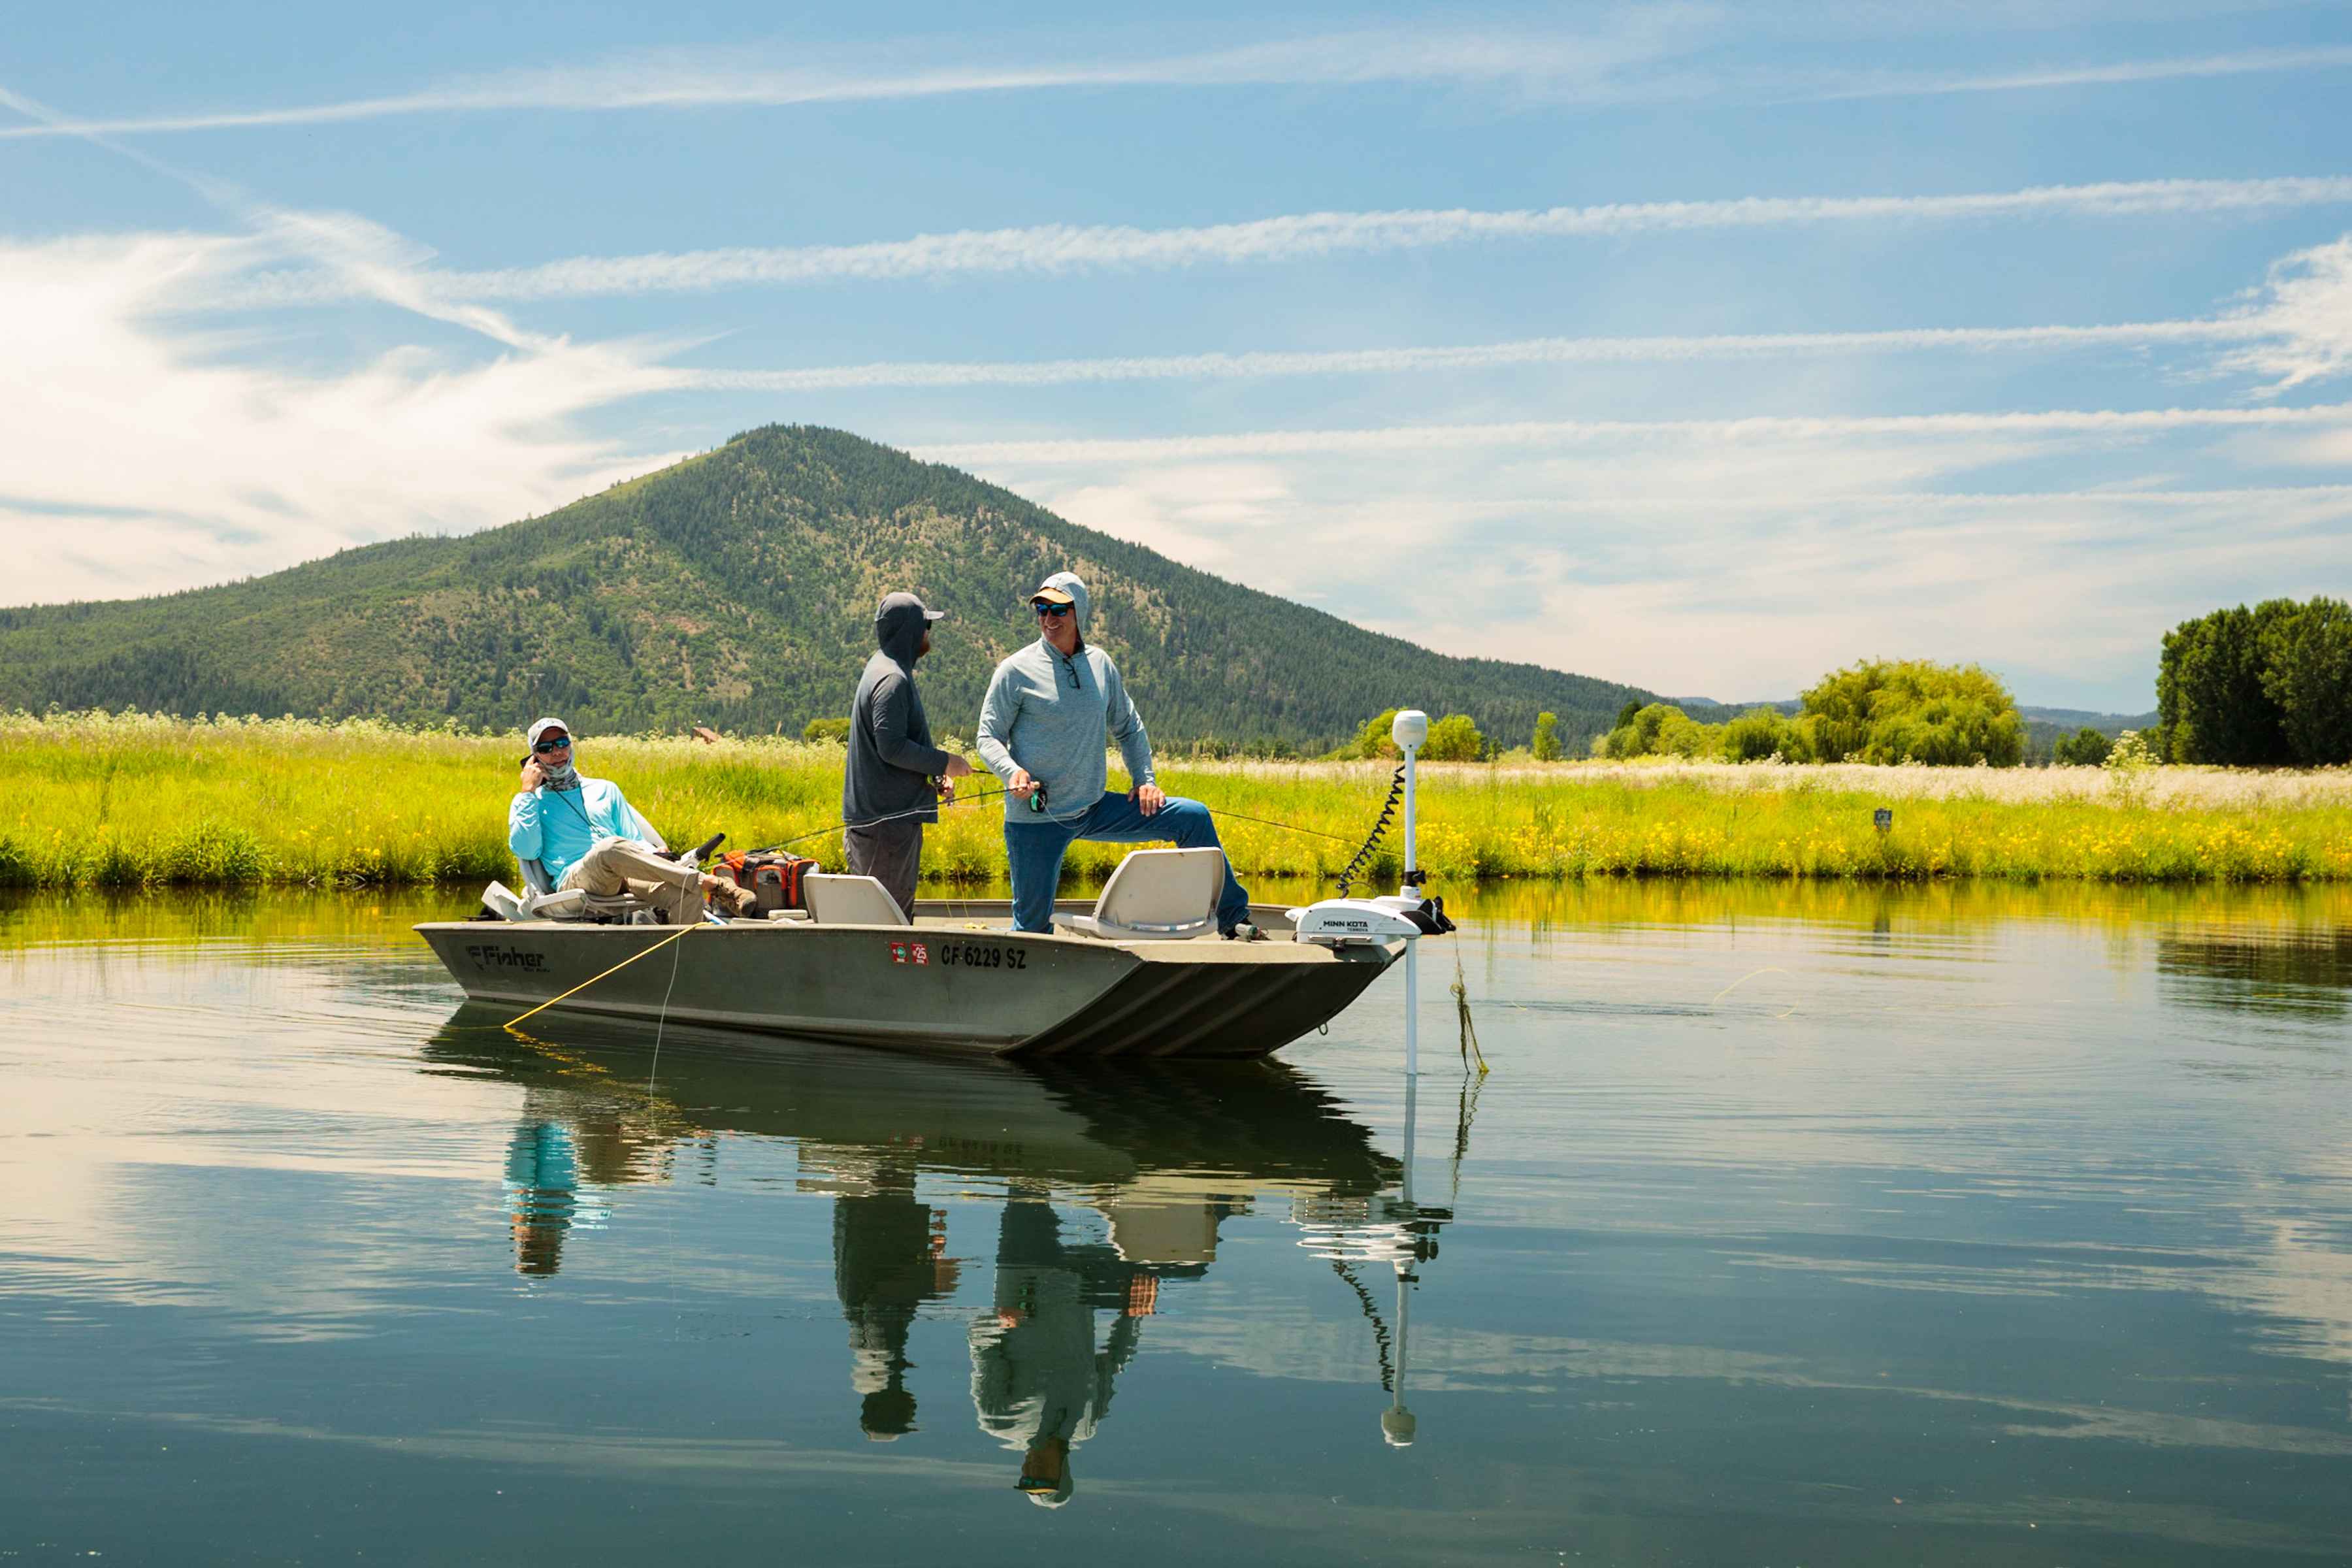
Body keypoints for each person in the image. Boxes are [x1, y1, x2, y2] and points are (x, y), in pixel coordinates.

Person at [975, 572, 1255, 937]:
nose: (1048, 619)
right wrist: (1011, 771)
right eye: (1041, 609)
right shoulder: (1015, 670)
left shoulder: (1100, 664)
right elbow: (988, 736)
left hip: (1094, 809)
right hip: (1036, 819)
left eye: (1058, 609)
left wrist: (1145, 781)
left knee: (1192, 817)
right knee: (1032, 931)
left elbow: (1130, 727)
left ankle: (1235, 920)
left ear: (1080, 612)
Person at [507, 717, 755, 921]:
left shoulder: (605, 789)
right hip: (575, 880)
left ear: (571, 745)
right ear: (534, 758)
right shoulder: (531, 801)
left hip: (622, 872)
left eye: (562, 743)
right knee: (609, 848)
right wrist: (528, 791)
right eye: (546, 748)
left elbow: (634, 840)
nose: (557, 752)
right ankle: (711, 883)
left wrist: (653, 853)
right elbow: (526, 851)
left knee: (685, 893)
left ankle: (682, 965)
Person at [844, 593, 972, 919]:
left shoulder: (883, 668)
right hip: (887, 830)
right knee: (888, 924)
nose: (929, 633)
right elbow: (891, 747)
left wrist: (933, 778)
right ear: (911, 630)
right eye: (926, 625)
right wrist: (947, 762)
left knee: (878, 920)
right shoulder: (892, 680)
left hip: (882, 826)